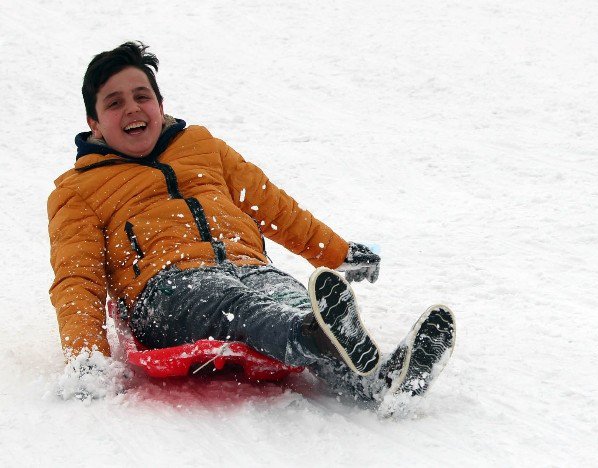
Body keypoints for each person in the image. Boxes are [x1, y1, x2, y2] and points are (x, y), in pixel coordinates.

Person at [48, 41, 455, 409]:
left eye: (142, 96)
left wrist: (337, 253)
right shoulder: (78, 189)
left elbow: (270, 205)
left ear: (160, 104)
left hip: (249, 265)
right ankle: (311, 335)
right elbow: (76, 279)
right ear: (95, 123)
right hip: (166, 289)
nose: (133, 108)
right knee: (234, 304)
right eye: (115, 103)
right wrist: (86, 357)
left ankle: (380, 381)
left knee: (292, 295)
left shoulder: (203, 147)